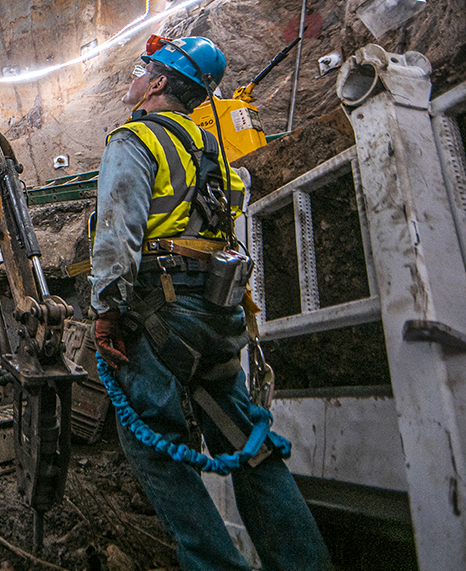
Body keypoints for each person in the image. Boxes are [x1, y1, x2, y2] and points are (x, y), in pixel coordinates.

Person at [88, 36, 331, 571]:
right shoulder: (209, 148)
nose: (135, 76)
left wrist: (106, 311)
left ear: (156, 84)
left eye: (143, 68)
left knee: (153, 445)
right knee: (244, 435)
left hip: (159, 309)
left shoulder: (134, 141)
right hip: (218, 312)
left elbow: (118, 232)